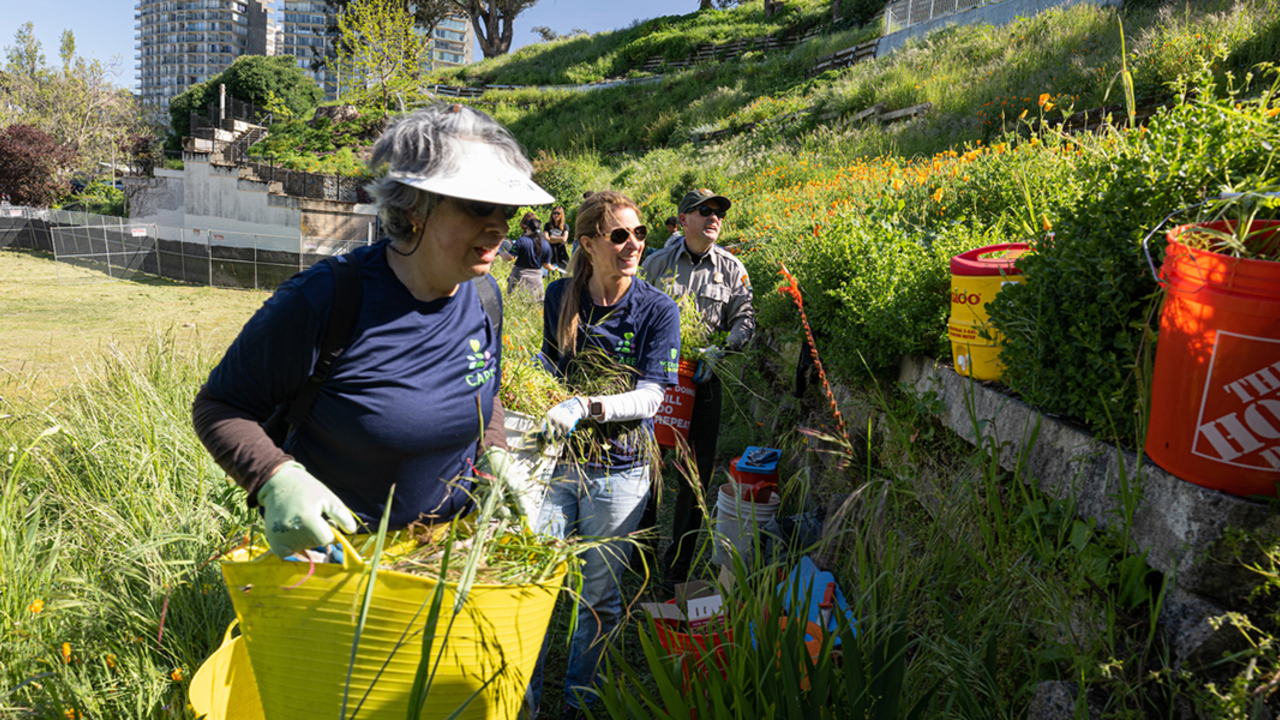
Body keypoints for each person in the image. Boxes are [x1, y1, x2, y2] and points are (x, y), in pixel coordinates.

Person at [191, 103, 553, 555]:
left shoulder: (484, 299)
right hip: (335, 560)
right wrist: (273, 478)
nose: (499, 225)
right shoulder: (327, 299)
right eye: (479, 206)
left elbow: (484, 391)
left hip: (444, 554)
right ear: (417, 205)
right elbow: (220, 406)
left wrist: (493, 450)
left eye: (507, 210)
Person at [529, 191, 681, 719]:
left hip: (620, 470)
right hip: (556, 465)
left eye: (639, 234)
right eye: (620, 235)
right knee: (537, 581)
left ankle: (577, 703)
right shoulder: (559, 297)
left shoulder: (658, 309)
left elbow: (651, 397)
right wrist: (537, 393)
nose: (634, 244)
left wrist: (586, 405)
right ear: (589, 243)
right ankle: (521, 702)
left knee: (599, 596)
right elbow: (548, 370)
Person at [641, 188, 756, 587]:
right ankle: (640, 559)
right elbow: (634, 312)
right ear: (684, 218)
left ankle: (677, 568)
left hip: (703, 382)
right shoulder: (655, 264)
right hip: (657, 382)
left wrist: (721, 348)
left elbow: (745, 318)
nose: (714, 217)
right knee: (648, 470)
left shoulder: (732, 268)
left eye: (719, 212)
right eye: (704, 211)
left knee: (694, 478)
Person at [508, 213, 555, 300]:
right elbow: (546, 265)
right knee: (536, 303)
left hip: (520, 275)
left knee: (515, 300)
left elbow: (510, 257)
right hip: (536, 278)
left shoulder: (522, 240)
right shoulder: (545, 243)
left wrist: (501, 253)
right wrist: (554, 268)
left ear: (528, 228)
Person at [545, 205, 570, 271]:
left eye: (558, 213)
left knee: (562, 271)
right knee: (550, 272)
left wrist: (552, 237)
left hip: (561, 251)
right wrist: (559, 239)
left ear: (561, 214)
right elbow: (547, 239)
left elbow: (564, 239)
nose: (556, 215)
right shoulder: (547, 225)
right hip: (550, 251)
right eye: (554, 213)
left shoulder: (565, 226)